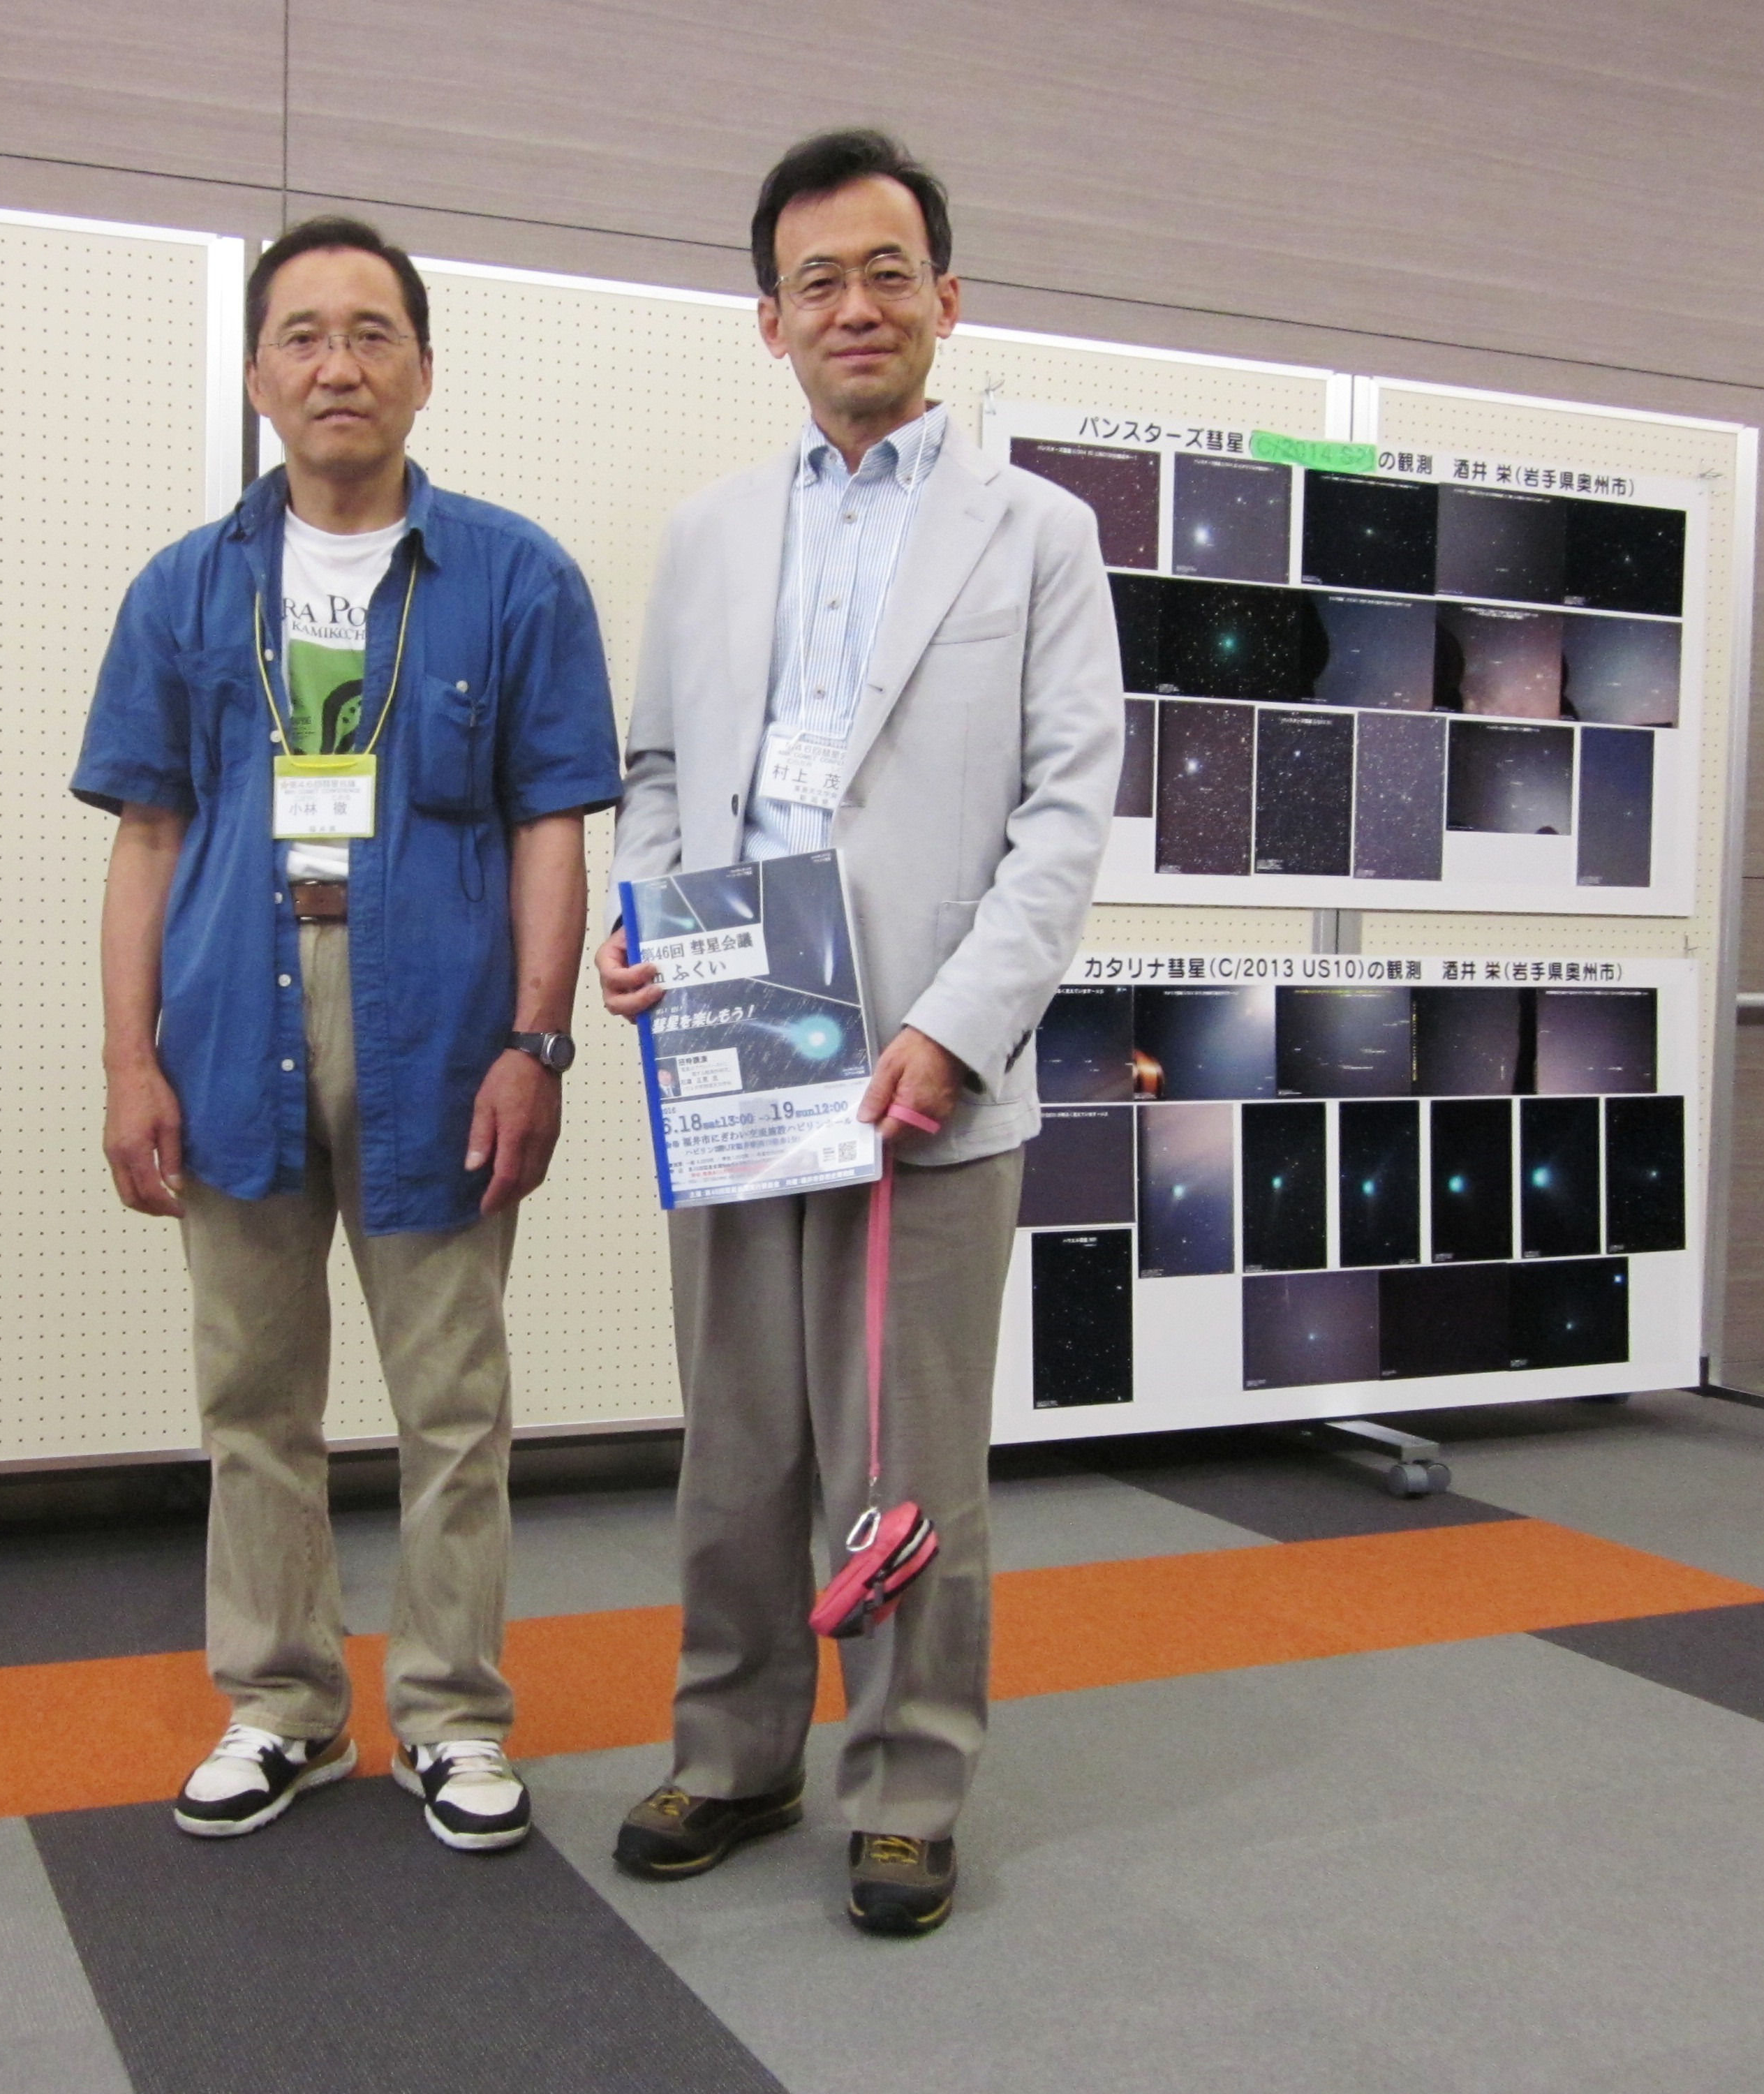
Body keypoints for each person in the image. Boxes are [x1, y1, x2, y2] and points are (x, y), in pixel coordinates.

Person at [595, 131, 1122, 1934]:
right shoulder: (711, 534)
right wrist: (653, 936)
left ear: (947, 301)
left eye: (888, 272)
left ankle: (906, 1783)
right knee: (738, 1441)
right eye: (818, 280)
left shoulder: (1040, 534)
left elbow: (1065, 819)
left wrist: (962, 1033)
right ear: (769, 321)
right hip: (745, 1047)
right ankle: (734, 1752)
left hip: (926, 1075)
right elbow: (658, 773)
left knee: (907, 1462)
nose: (856, 306)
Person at [75, 216, 619, 1853]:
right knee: (253, 1393)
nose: (336, 363)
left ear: (423, 372)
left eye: (372, 333)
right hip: (233, 1006)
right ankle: (282, 1704)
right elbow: (147, 840)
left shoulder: (516, 577)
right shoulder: (186, 588)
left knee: (451, 1397)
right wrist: (125, 1056)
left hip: (442, 1024)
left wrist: (536, 1039)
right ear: (255, 375)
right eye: (302, 335)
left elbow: (548, 829)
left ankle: (451, 1715)